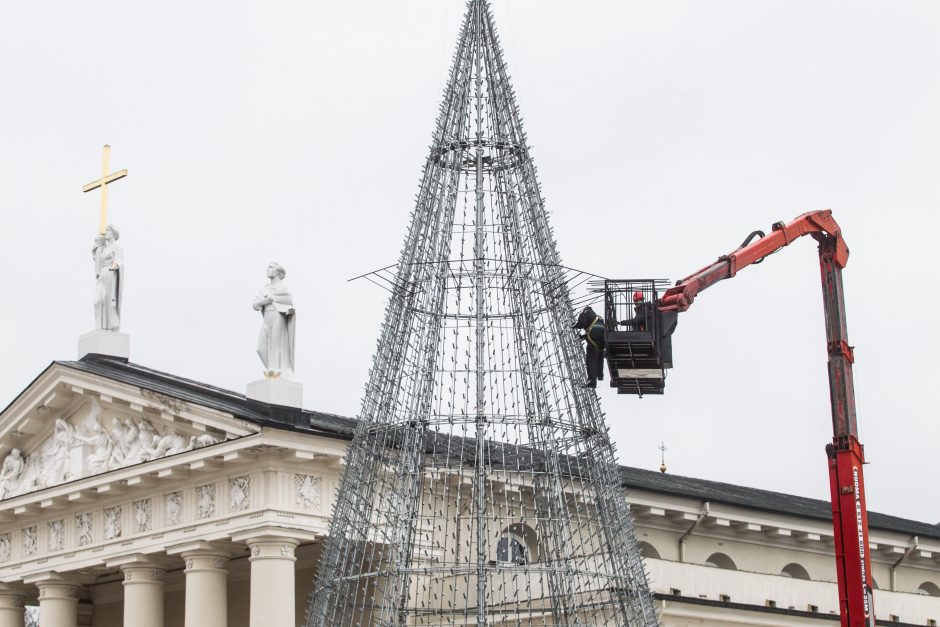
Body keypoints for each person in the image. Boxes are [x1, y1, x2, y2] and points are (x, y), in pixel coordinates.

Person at [253, 262, 297, 379]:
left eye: (271, 267)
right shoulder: (264, 289)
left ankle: (275, 373)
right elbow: (255, 305)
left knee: (275, 346)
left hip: (277, 315)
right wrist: (262, 302)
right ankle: (275, 372)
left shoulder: (283, 288)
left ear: (278, 272)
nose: (267, 269)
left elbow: (289, 302)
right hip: (266, 317)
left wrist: (287, 309)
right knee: (261, 348)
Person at [92, 225, 123, 331]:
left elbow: (119, 262)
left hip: (111, 275)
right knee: (97, 301)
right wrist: (96, 247)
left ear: (114, 233)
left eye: (108, 230)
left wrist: (113, 267)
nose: (106, 233)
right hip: (102, 275)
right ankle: (98, 328)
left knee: (108, 302)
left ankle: (108, 326)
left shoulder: (117, 248)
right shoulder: (103, 248)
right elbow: (97, 260)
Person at [572, 306, 605, 388]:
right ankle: (600, 375)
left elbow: (581, 323)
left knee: (591, 359)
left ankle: (592, 381)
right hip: (603, 337)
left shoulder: (585, 313)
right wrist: (582, 337)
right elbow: (592, 330)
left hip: (594, 335)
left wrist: (573, 326)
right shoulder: (596, 317)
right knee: (599, 356)